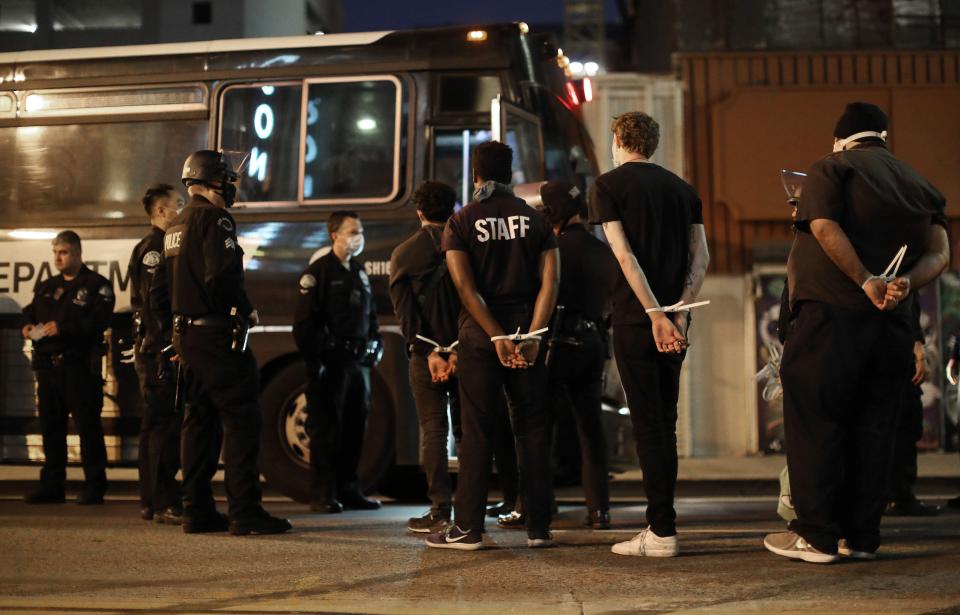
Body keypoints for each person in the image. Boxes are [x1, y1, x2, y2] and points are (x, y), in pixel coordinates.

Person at [764, 102, 949, 564]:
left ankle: (815, 535)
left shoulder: (832, 167)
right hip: (890, 327)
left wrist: (866, 279)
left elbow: (824, 227)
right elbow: (940, 253)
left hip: (829, 320)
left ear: (842, 137)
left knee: (816, 422)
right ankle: (861, 536)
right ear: (883, 138)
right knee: (874, 428)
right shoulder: (919, 183)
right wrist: (906, 282)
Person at [425, 140, 559, 550]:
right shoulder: (535, 221)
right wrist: (532, 335)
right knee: (533, 429)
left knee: (478, 430)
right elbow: (551, 283)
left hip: (481, 337)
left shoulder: (461, 222)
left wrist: (496, 335)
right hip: (527, 330)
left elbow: (465, 287)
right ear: (511, 174)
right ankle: (538, 527)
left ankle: (468, 528)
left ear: (475, 175)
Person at [152, 149, 291, 535]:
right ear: (215, 181)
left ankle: (196, 510)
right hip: (214, 336)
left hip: (186, 337)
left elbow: (159, 291)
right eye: (229, 180)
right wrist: (244, 309)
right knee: (243, 419)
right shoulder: (216, 220)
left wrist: (172, 336)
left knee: (199, 422)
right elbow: (223, 276)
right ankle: (245, 511)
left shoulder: (175, 225)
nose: (232, 187)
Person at [590, 112, 709, 557]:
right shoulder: (683, 189)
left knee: (646, 426)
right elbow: (703, 257)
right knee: (666, 425)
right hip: (676, 318)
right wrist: (677, 314)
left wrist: (654, 314)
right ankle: (663, 526)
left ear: (619, 138)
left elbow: (623, 255)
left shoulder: (607, 186)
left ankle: (661, 532)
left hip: (639, 320)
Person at [498, 181, 617, 531]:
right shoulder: (602, 249)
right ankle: (599, 510)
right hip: (592, 342)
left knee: (538, 429)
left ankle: (536, 505)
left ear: (549, 214)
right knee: (590, 429)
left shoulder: (550, 248)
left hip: (554, 344)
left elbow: (539, 294)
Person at [293, 211, 384, 513]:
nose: (358, 236)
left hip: (358, 363)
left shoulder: (358, 272)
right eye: (352, 231)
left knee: (354, 427)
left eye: (360, 230)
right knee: (326, 429)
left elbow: (370, 317)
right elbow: (305, 325)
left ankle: (348, 490)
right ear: (335, 235)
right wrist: (318, 358)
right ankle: (322, 494)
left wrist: (376, 343)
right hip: (330, 362)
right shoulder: (318, 273)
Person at [389, 180, 462, 533]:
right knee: (469, 432)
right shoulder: (467, 246)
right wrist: (458, 351)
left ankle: (439, 509)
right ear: (453, 210)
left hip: (425, 355)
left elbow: (405, 315)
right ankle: (470, 507)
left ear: (419, 212)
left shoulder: (404, 254)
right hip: (467, 353)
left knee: (433, 430)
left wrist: (431, 351)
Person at [22, 231, 115, 505]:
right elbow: (30, 311)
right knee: (51, 427)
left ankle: (94, 486)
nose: (58, 258)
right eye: (55, 253)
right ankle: (52, 485)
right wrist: (26, 327)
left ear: (77, 252)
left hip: (78, 366)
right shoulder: (48, 286)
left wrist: (64, 328)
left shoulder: (96, 285)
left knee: (87, 428)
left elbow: (98, 322)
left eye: (63, 252)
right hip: (47, 368)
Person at [128, 184, 184, 524]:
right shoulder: (154, 248)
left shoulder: (157, 245)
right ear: (160, 212)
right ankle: (165, 501)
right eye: (178, 204)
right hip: (157, 352)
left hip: (152, 350)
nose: (182, 209)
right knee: (165, 425)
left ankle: (150, 500)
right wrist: (168, 344)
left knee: (153, 426)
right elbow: (154, 303)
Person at [886, 296, 940, 517]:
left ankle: (894, 495)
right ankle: (899, 496)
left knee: (899, 427)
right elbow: (906, 311)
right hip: (895, 353)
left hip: (888, 351)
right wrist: (918, 351)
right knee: (903, 426)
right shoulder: (899, 271)